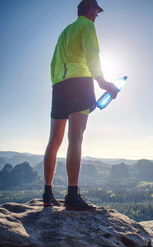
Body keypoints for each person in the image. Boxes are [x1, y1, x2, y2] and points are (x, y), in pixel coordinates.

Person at [42, 0, 119, 210]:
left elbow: (53, 62)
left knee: (54, 140)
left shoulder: (65, 31)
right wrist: (103, 82)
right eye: (97, 10)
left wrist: (57, 83)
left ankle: (47, 193)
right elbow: (92, 54)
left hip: (59, 85)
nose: (97, 15)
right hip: (79, 82)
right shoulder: (87, 25)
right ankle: (72, 196)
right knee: (75, 138)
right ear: (90, 9)